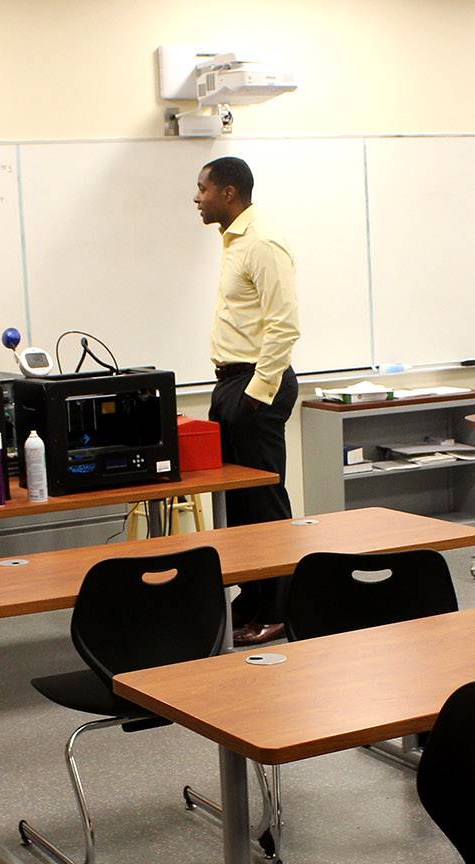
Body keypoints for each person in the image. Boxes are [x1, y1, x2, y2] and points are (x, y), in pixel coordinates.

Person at [195, 156, 301, 646]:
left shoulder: (261, 244)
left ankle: (280, 608)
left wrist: (256, 395)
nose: (197, 198)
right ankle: (255, 598)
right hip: (231, 383)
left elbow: (284, 326)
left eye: (203, 189)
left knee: (263, 500)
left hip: (257, 385)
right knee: (239, 504)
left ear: (229, 193)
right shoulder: (233, 244)